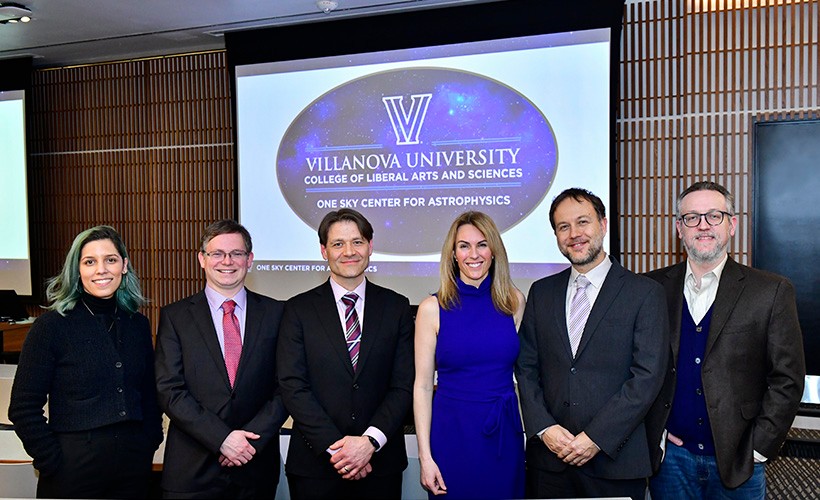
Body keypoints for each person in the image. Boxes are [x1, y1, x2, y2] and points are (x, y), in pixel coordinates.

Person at [646, 181, 805, 499]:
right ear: (680, 228)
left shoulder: (770, 291)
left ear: (732, 224)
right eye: (692, 217)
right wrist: (655, 434)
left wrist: (759, 448)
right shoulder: (650, 289)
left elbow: (787, 379)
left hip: (741, 463)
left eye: (714, 216)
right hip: (670, 461)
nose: (703, 225)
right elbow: (637, 369)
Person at [514, 188, 669, 500]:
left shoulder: (644, 293)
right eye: (563, 227)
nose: (574, 234)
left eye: (583, 222)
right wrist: (545, 428)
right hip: (550, 463)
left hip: (616, 460)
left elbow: (647, 378)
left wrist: (596, 437)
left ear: (603, 224)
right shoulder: (541, 293)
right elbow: (526, 368)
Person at [8, 225, 163, 499]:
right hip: (72, 468)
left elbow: (149, 394)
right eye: (90, 262)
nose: (101, 270)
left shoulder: (137, 324)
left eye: (110, 260)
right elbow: (23, 407)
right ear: (77, 271)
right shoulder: (51, 327)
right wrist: (52, 461)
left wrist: (150, 441)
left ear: (124, 266)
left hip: (133, 467)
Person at [277, 208, 414, 499]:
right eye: (338, 244)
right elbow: (292, 385)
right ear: (323, 250)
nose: (349, 251)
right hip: (316, 465)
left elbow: (402, 385)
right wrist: (337, 448)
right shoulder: (297, 309)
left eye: (358, 242)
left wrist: (369, 443)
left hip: (380, 463)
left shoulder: (397, 307)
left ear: (370, 247)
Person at [154, 220, 287, 498]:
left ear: (249, 260)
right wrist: (222, 439)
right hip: (192, 471)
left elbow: (286, 388)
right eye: (217, 253)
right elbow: (170, 390)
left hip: (255, 466)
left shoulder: (277, 314)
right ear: (202, 259)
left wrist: (247, 443)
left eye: (236, 253)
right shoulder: (175, 317)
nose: (227, 261)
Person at [414, 211, 526, 499]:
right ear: (453, 253)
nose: (473, 254)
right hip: (452, 437)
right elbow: (424, 386)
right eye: (464, 246)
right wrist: (425, 458)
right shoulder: (431, 308)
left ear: (494, 251)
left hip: (504, 438)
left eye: (482, 244)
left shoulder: (514, 301)